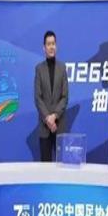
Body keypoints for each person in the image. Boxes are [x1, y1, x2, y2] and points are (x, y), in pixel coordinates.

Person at [34, 30, 69, 162]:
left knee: (62, 166)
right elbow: (38, 97)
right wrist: (48, 119)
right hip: (44, 128)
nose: (51, 47)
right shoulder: (39, 69)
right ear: (44, 48)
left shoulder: (62, 68)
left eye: (53, 43)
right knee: (45, 167)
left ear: (56, 46)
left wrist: (54, 116)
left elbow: (65, 97)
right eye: (48, 44)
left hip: (59, 126)